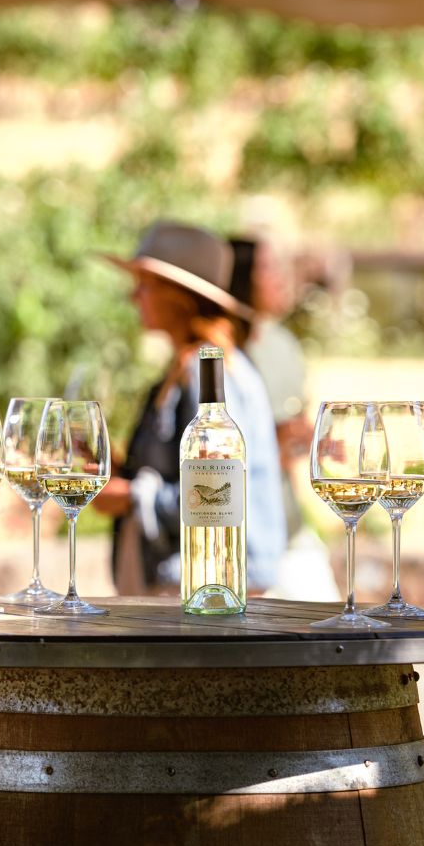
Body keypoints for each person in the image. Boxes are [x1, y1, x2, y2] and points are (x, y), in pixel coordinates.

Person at [93, 221, 286, 594]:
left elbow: (221, 490)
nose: (134, 297)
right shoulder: (193, 367)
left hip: (209, 584)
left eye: (144, 285)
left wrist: (129, 497)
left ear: (177, 296)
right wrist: (118, 471)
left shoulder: (208, 371)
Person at [230, 234, 339, 603]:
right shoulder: (222, 352)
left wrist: (315, 440)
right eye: (266, 268)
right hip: (239, 536)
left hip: (289, 527)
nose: (280, 277)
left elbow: (297, 427)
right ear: (240, 277)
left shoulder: (284, 344)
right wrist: (269, 443)